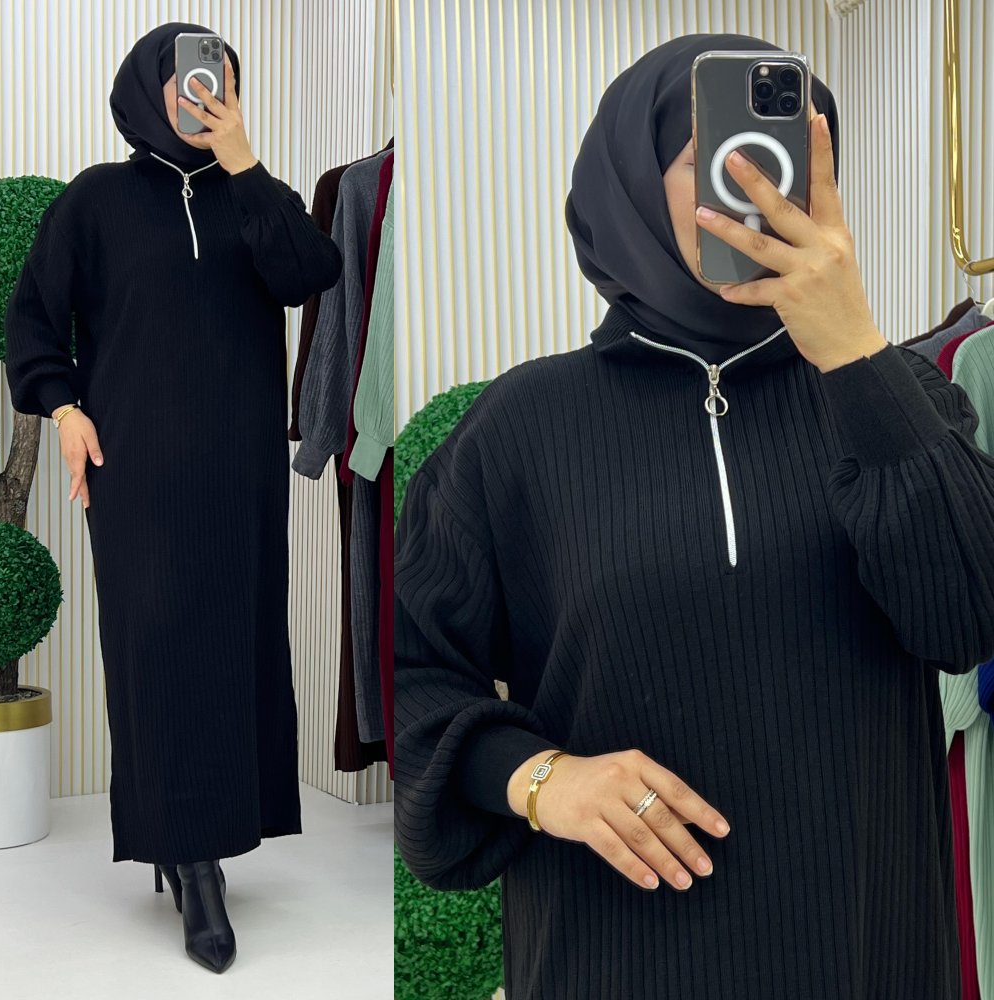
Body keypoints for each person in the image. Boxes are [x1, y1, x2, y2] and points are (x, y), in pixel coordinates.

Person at [393, 32, 994, 1000]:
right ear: (630, 181)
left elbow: (968, 618)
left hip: (863, 943)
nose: (758, 188)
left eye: (787, 157)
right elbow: (413, 673)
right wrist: (541, 779)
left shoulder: (900, 400)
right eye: (716, 156)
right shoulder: (520, 427)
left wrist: (853, 350)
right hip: (611, 953)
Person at [4, 22, 341, 974]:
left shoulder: (254, 195)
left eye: (221, 78)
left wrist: (245, 163)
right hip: (138, 471)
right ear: (149, 89)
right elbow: (34, 318)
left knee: (233, 644)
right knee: (155, 649)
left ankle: (211, 841)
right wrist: (63, 406)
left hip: (239, 472)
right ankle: (188, 859)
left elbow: (309, 273)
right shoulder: (95, 200)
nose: (206, 92)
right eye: (191, 79)